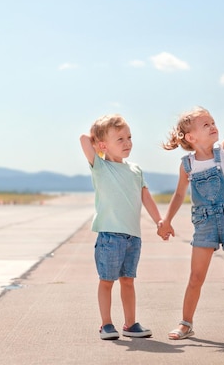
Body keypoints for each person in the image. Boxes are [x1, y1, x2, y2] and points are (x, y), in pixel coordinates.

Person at [158, 77, 224, 341]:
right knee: (196, 277)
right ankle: (186, 322)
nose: (213, 126)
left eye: (213, 122)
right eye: (206, 124)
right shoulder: (187, 165)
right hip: (204, 223)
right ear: (191, 137)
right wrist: (166, 220)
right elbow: (180, 193)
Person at [80, 114, 163, 340]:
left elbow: (145, 196)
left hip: (132, 237)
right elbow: (83, 139)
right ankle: (106, 324)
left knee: (128, 281)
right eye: (120, 139)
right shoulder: (100, 166)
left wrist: (159, 221)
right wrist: (99, 142)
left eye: (129, 137)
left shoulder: (135, 169)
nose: (127, 143)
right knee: (106, 281)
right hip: (110, 236)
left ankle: (130, 323)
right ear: (103, 144)